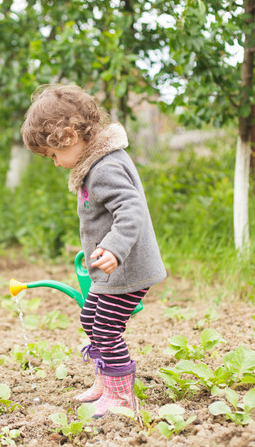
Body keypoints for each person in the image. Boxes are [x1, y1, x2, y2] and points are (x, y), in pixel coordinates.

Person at [20, 84, 166, 418]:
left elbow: (131, 210)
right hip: (112, 269)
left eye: (53, 155)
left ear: (68, 135)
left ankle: (121, 397)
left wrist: (114, 249)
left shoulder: (104, 168)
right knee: (90, 317)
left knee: (106, 328)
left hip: (126, 268)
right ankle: (105, 382)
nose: (56, 164)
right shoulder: (96, 164)